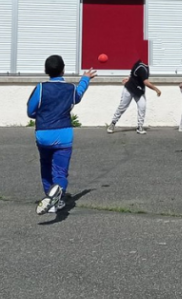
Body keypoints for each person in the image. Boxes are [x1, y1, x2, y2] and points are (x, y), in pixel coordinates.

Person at [28, 55, 96, 215]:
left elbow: (30, 111)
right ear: (63, 69)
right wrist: (86, 78)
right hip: (64, 135)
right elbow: (78, 94)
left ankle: (49, 199)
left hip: (43, 134)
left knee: (45, 166)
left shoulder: (40, 88)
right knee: (60, 171)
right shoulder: (70, 89)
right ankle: (57, 193)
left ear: (46, 71)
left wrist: (43, 115)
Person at [108, 58, 160, 135]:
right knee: (122, 107)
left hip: (139, 91)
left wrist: (129, 78)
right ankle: (112, 123)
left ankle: (140, 127)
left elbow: (135, 75)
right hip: (129, 89)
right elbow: (145, 82)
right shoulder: (141, 67)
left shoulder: (144, 67)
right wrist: (156, 89)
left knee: (142, 106)